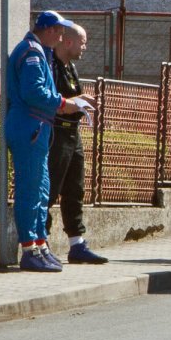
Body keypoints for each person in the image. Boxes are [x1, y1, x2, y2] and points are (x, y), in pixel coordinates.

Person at [5, 11, 87, 272]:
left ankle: (40, 245)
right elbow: (34, 92)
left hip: (37, 125)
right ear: (50, 30)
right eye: (60, 31)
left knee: (41, 188)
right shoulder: (31, 52)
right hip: (29, 124)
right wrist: (64, 104)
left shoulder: (40, 52)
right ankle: (29, 249)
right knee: (30, 189)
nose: (62, 36)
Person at [48, 23, 107, 264]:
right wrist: (77, 101)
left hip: (73, 134)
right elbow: (49, 99)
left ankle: (77, 245)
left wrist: (83, 103)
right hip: (56, 135)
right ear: (69, 42)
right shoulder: (50, 65)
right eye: (83, 42)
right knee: (50, 190)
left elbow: (71, 98)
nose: (85, 46)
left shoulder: (70, 66)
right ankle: (42, 244)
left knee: (75, 190)